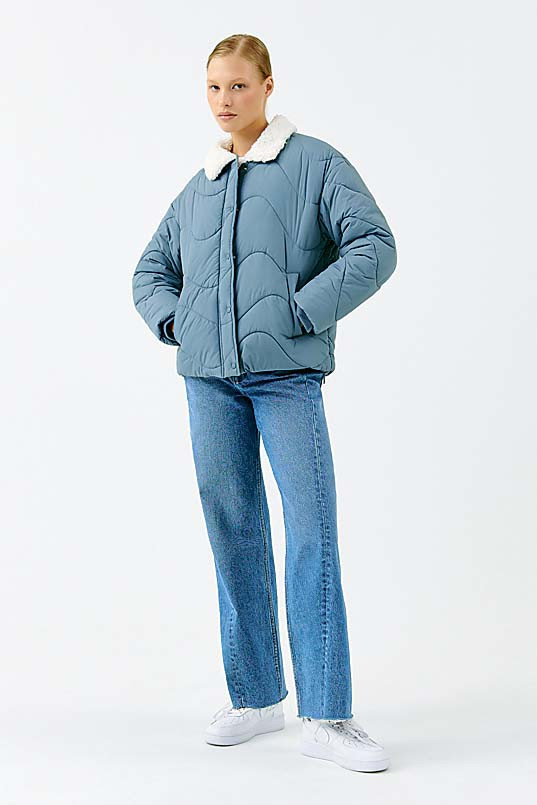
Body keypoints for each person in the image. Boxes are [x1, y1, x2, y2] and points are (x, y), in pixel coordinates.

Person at [132, 33, 397, 773]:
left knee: (311, 530)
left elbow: (373, 245)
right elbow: (149, 271)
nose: (225, 101)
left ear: (268, 86)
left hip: (286, 379)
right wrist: (178, 322)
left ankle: (328, 713)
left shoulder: (314, 163)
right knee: (233, 530)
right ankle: (254, 696)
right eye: (214, 87)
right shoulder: (201, 185)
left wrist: (303, 311)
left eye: (239, 86)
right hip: (208, 382)